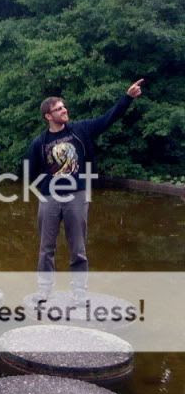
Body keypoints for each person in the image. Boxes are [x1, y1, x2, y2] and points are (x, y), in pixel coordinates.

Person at [27, 79, 144, 302]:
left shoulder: (81, 130)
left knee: (78, 248)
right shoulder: (39, 143)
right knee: (46, 248)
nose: (64, 110)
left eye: (64, 107)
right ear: (48, 116)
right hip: (49, 197)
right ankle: (44, 289)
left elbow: (108, 118)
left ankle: (79, 291)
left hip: (77, 195)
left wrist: (127, 98)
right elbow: (31, 173)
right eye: (58, 109)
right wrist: (45, 190)